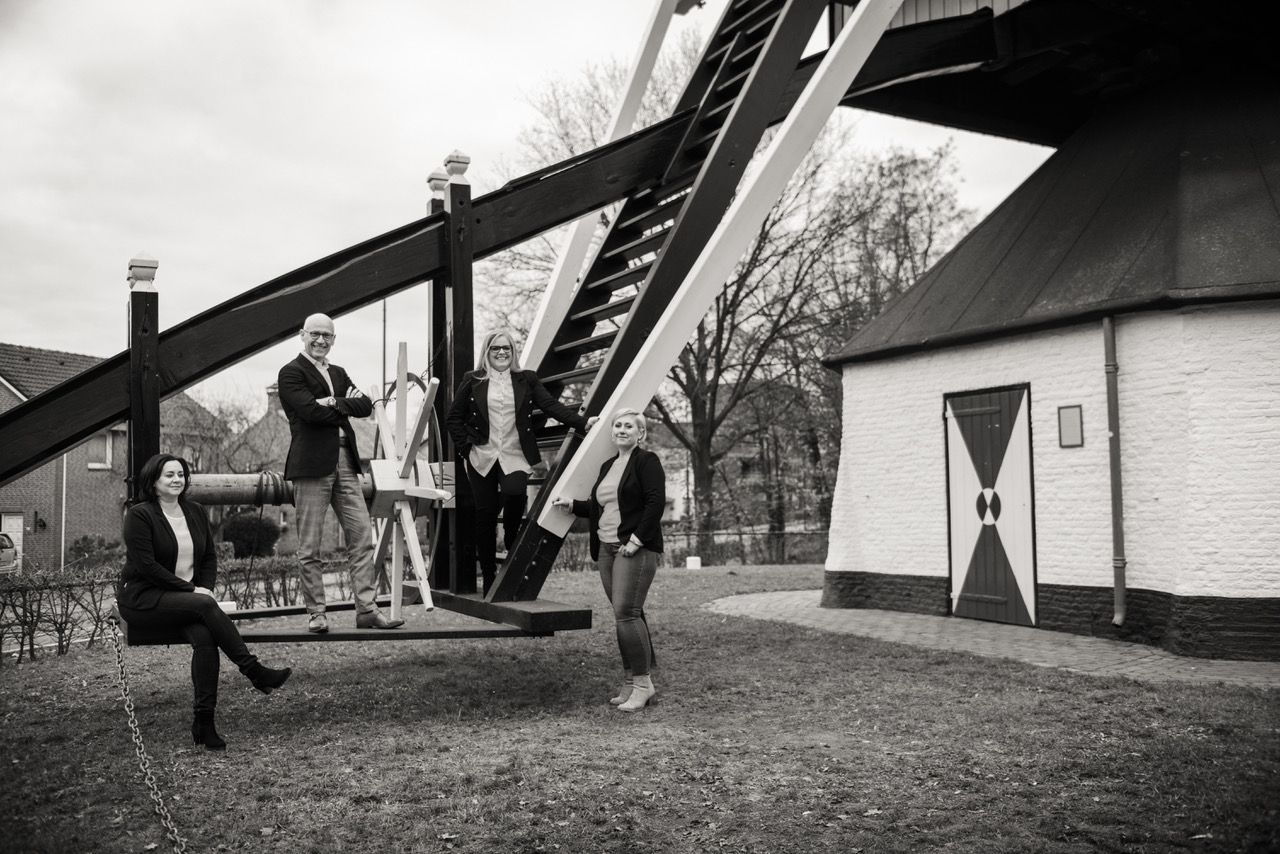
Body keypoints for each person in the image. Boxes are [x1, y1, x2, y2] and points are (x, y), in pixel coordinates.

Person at [118, 453, 293, 750]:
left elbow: (209, 557)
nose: (177, 480)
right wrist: (193, 591)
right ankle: (253, 671)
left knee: (204, 637)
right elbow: (147, 566)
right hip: (143, 599)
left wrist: (205, 588)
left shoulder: (195, 511)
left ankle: (204, 723)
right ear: (154, 481)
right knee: (203, 606)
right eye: (169, 475)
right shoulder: (140, 515)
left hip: (186, 600)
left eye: (181, 474)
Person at [279, 312, 402, 633]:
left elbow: (365, 405)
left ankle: (367, 610)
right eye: (315, 334)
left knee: (362, 539)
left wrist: (332, 400)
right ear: (302, 334)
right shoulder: (290, 372)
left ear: (334, 339)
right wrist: (341, 402)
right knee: (310, 547)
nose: (321, 340)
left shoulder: (339, 371)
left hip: (347, 464)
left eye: (327, 336)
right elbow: (308, 411)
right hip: (311, 466)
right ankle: (317, 614)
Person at [445, 329, 591, 594]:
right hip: (482, 456)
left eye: (507, 348)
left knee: (515, 493)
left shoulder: (526, 379)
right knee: (485, 516)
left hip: (514, 453)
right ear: (486, 352)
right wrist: (467, 449)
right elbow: (453, 418)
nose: (501, 352)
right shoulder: (473, 379)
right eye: (495, 348)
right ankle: (489, 576)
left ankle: (511, 535)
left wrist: (583, 422)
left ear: (512, 353)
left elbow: (550, 405)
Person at [553, 407, 665, 712]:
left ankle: (644, 684)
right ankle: (631, 682)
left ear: (640, 433)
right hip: (605, 547)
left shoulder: (647, 461)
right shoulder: (607, 466)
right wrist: (573, 506)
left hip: (635, 548)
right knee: (623, 615)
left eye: (629, 426)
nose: (622, 430)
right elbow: (600, 506)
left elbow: (655, 503)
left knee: (627, 613)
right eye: (617, 425)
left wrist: (636, 540)